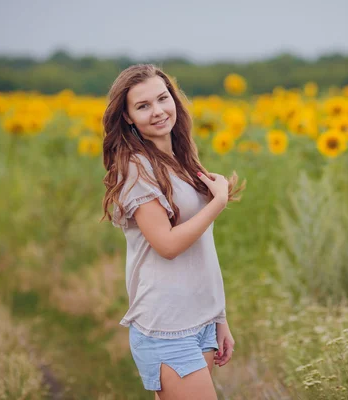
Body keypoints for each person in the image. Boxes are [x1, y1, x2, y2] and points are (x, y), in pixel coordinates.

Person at [101, 64, 246, 400]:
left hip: (200, 319)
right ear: (127, 117)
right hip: (166, 325)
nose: (158, 111)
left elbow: (202, 248)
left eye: (162, 98)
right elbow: (167, 245)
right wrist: (217, 203)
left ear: (174, 100)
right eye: (143, 106)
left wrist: (219, 317)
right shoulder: (136, 168)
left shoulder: (180, 160)